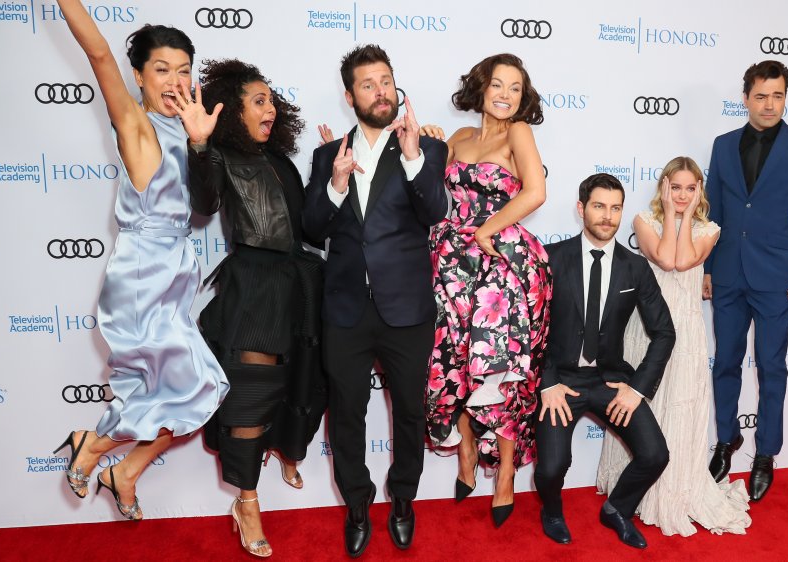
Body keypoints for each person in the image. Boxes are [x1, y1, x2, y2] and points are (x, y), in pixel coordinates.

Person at [52, 0, 228, 521]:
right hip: (140, 275)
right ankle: (96, 447)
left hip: (175, 273)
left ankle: (119, 468)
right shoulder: (135, 122)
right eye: (161, 70)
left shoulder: (193, 130)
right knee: (183, 389)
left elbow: (206, 207)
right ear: (140, 77)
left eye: (183, 70)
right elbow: (100, 53)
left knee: (200, 392)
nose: (174, 81)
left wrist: (202, 145)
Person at [302, 44, 448, 557]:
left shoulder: (425, 147)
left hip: (406, 309)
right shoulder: (326, 156)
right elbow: (312, 227)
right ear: (350, 96)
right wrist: (336, 185)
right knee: (347, 415)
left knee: (409, 410)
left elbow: (434, 212)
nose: (380, 90)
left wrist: (412, 158)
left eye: (386, 80)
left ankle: (403, 499)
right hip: (345, 310)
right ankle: (359, 506)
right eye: (368, 84)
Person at [187, 59, 326, 557]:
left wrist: (334, 178)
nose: (272, 108)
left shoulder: (281, 160)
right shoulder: (220, 153)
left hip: (301, 282)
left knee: (307, 381)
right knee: (251, 392)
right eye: (260, 101)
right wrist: (200, 146)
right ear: (232, 111)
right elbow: (204, 203)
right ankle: (246, 500)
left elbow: (310, 229)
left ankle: (288, 450)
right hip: (255, 284)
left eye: (272, 101)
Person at [422, 53, 551, 528]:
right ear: (480, 88)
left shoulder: (518, 132)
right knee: (451, 359)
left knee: (500, 368)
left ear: (523, 96)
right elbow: (429, 194)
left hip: (500, 266)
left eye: (514, 88)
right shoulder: (458, 137)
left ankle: (507, 473)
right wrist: (426, 146)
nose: (504, 94)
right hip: (450, 266)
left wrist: (485, 230)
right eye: (497, 84)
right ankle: (469, 448)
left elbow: (535, 192)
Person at [596, 157, 751, 536]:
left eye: (689, 188)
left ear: (700, 190)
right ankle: (633, 484)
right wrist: (668, 213)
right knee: (645, 405)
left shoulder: (709, 228)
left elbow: (682, 262)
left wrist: (683, 220)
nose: (682, 195)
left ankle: (672, 489)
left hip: (684, 329)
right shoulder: (642, 222)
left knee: (678, 403)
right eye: (675, 187)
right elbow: (664, 258)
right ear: (664, 187)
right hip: (646, 327)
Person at [703, 60, 788, 502]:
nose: (769, 104)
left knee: (772, 367)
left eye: (777, 96)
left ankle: (765, 454)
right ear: (746, 98)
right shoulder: (721, 146)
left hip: (778, 278)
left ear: (786, 97)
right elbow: (712, 213)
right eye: (761, 96)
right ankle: (726, 438)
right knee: (725, 364)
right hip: (730, 273)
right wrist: (708, 268)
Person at [534, 173, 674, 549]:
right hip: (560, 380)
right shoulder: (551, 258)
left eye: (615, 208)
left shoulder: (635, 267)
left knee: (655, 454)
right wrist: (546, 382)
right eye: (599, 206)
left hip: (611, 381)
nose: (607, 217)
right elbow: (530, 326)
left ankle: (617, 509)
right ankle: (551, 509)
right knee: (550, 468)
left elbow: (665, 333)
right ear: (581, 209)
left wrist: (638, 389)